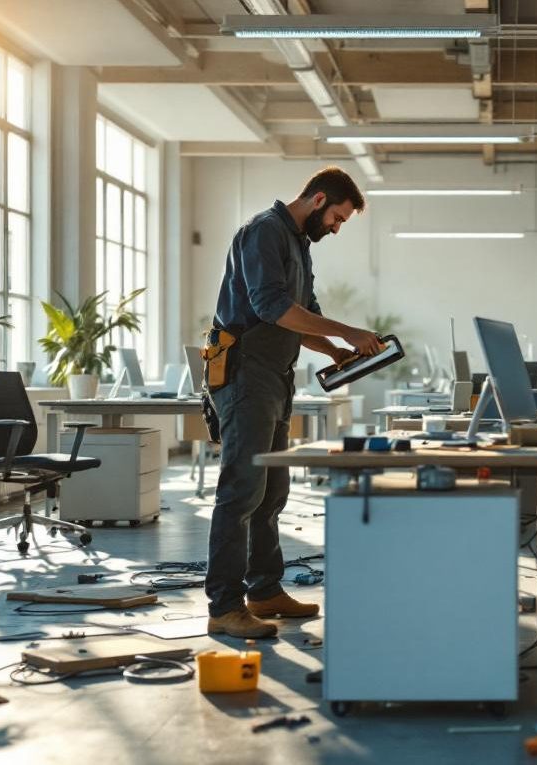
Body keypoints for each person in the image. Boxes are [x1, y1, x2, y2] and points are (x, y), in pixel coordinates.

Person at [206, 166, 382, 638]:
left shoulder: (298, 243)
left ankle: (264, 591)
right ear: (319, 199)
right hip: (246, 376)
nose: (337, 228)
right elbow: (271, 308)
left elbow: (305, 314)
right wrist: (348, 332)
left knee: (271, 494)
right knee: (241, 491)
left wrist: (337, 351)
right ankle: (224, 606)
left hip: (276, 378)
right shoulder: (263, 232)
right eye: (338, 218)